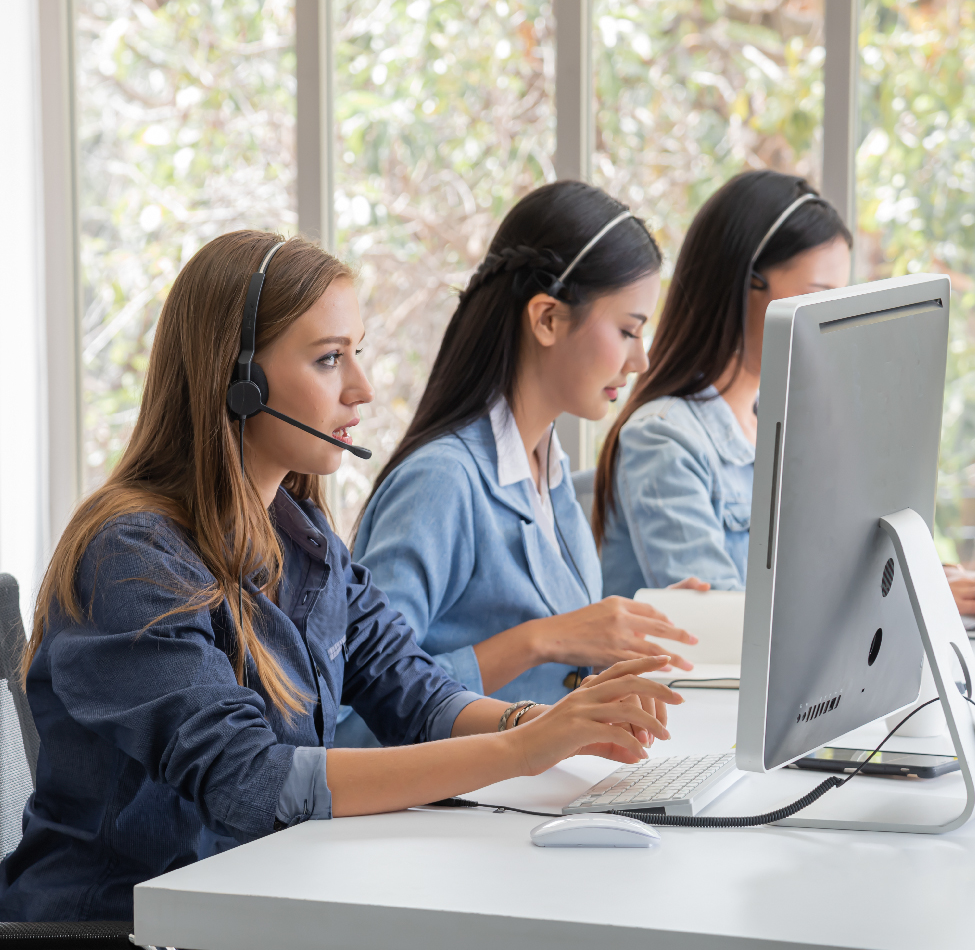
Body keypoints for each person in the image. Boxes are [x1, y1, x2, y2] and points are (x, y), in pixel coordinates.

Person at [0, 232, 681, 923]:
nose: (363, 388)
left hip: (259, 898)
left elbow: (411, 693)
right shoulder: (131, 556)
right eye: (330, 359)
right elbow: (252, 780)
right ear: (239, 382)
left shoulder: (301, 534)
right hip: (132, 920)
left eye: (357, 351)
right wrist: (519, 749)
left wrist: (541, 723)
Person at [340, 181, 702, 749]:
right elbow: (348, 724)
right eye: (628, 330)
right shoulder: (443, 483)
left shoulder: (548, 472)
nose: (642, 359)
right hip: (451, 821)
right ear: (548, 319)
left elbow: (556, 684)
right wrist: (541, 641)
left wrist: (639, 626)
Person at [594, 171, 852, 596]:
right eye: (817, 295)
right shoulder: (664, 439)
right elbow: (726, 636)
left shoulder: (777, 429)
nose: (831, 319)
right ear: (744, 284)